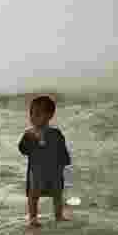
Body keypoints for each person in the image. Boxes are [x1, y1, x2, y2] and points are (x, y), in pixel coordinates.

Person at [18, 95, 72, 227]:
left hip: (54, 170)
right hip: (36, 170)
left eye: (37, 114)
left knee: (57, 193)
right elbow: (23, 149)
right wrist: (29, 139)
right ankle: (33, 218)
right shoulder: (29, 134)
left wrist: (64, 162)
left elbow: (62, 149)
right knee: (33, 195)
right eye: (31, 113)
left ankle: (58, 215)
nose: (33, 117)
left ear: (49, 116)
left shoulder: (55, 133)